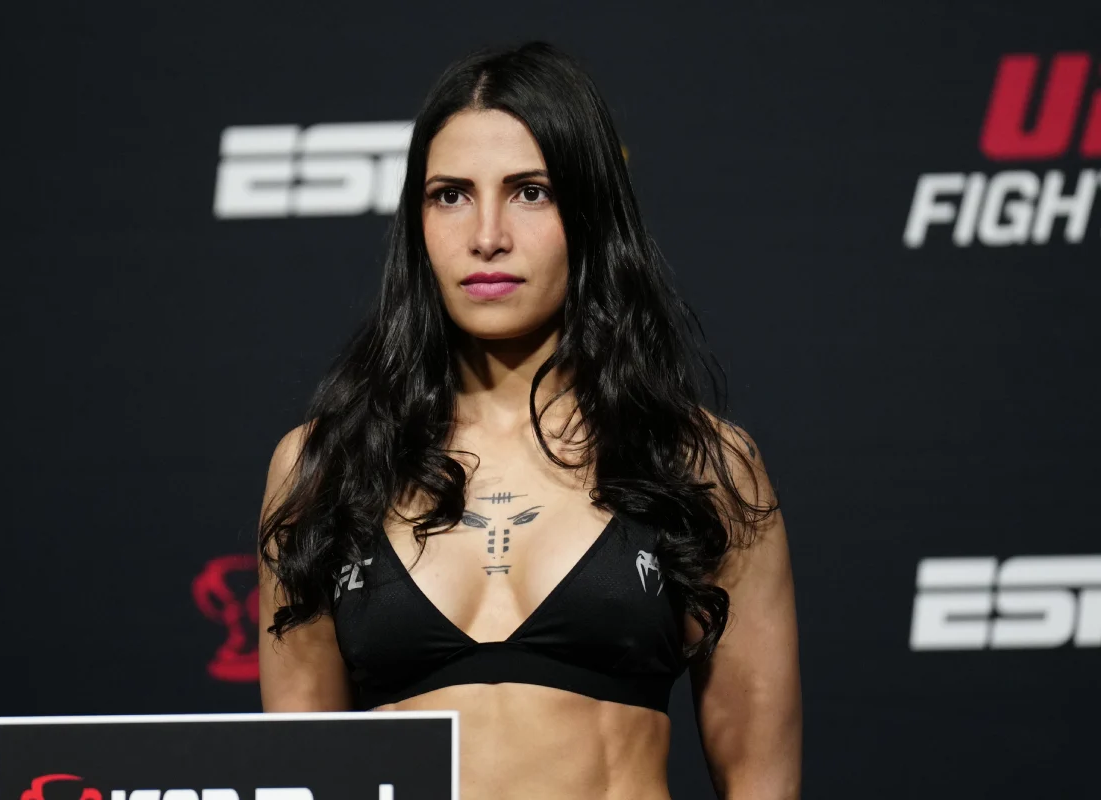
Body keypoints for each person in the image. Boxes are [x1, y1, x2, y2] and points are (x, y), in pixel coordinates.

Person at [257, 40, 801, 800]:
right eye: (451, 194)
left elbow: (760, 780)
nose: (487, 236)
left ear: (590, 213)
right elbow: (298, 777)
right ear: (416, 222)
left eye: (531, 192)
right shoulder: (325, 468)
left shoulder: (700, 463)